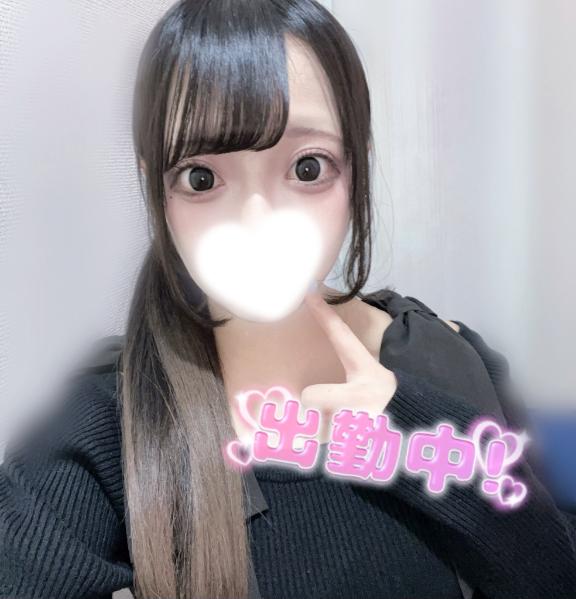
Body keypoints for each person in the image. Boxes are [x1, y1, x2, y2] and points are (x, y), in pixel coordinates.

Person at [1, 1, 575, 598]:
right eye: (201, 178)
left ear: (356, 167)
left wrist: (413, 426)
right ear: (156, 188)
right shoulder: (108, 421)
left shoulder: (450, 358)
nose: (257, 221)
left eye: (306, 168)